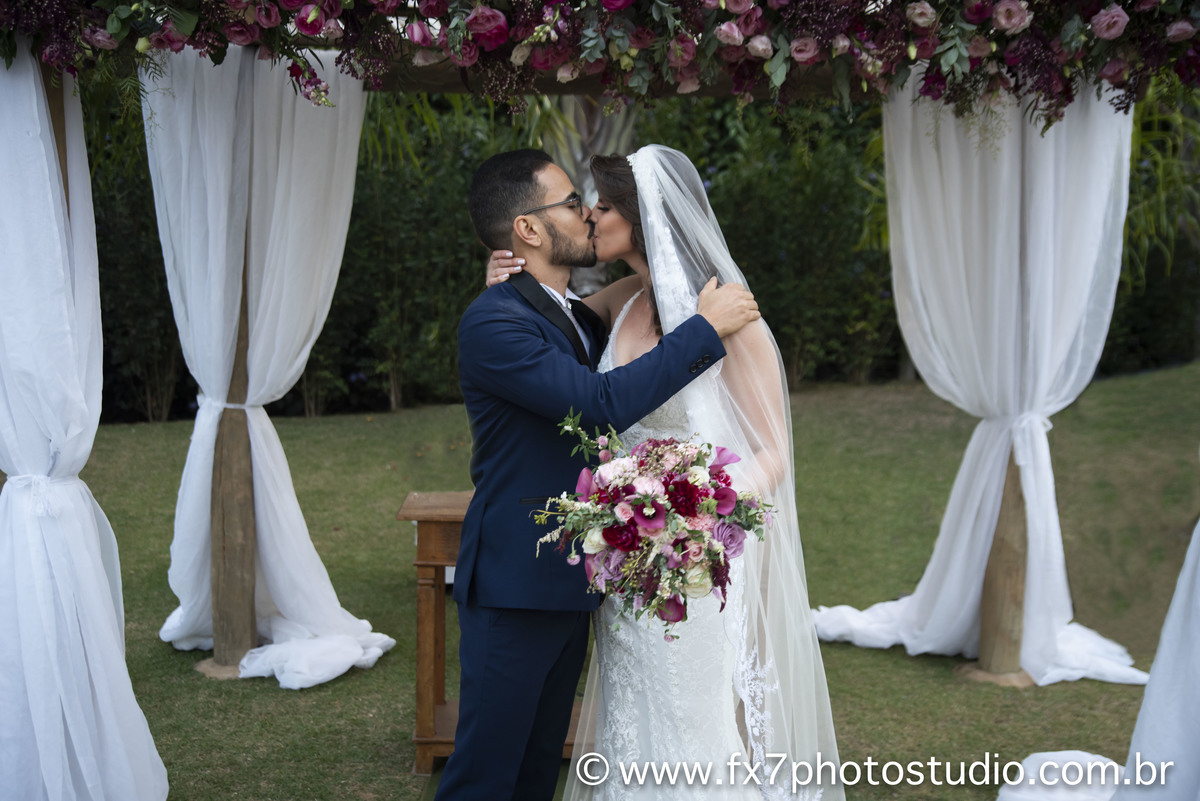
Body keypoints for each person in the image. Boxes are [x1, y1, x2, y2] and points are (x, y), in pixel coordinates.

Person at [486, 145, 844, 800]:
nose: (590, 215)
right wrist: (504, 283)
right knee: (634, 720)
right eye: (584, 202)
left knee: (692, 724)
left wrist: (695, 515)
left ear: (642, 215)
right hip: (624, 559)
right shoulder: (623, 303)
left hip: (692, 558)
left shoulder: (731, 316)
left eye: (603, 204)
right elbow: (554, 321)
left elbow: (772, 452)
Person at [437, 149, 761, 801]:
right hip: (514, 585)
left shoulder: (568, 312)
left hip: (574, 581)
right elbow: (600, 402)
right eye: (570, 202)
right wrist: (704, 330)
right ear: (527, 228)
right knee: (485, 776)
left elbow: (644, 301)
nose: (586, 213)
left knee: (534, 771)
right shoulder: (496, 321)